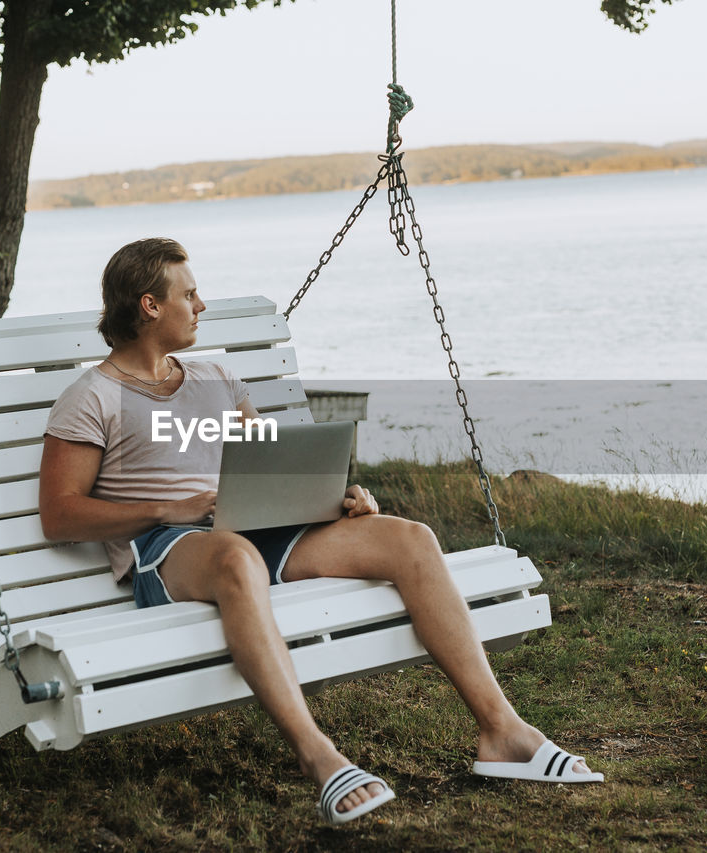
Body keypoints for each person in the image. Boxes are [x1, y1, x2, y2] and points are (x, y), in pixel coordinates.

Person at [39, 237, 602, 826]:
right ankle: (321, 759)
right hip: (169, 550)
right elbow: (60, 516)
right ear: (150, 306)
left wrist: (334, 499)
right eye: (190, 294)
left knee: (407, 537)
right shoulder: (92, 397)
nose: (201, 305)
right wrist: (166, 510)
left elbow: (267, 469)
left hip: (253, 528)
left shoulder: (217, 380)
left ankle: (503, 733)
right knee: (233, 556)